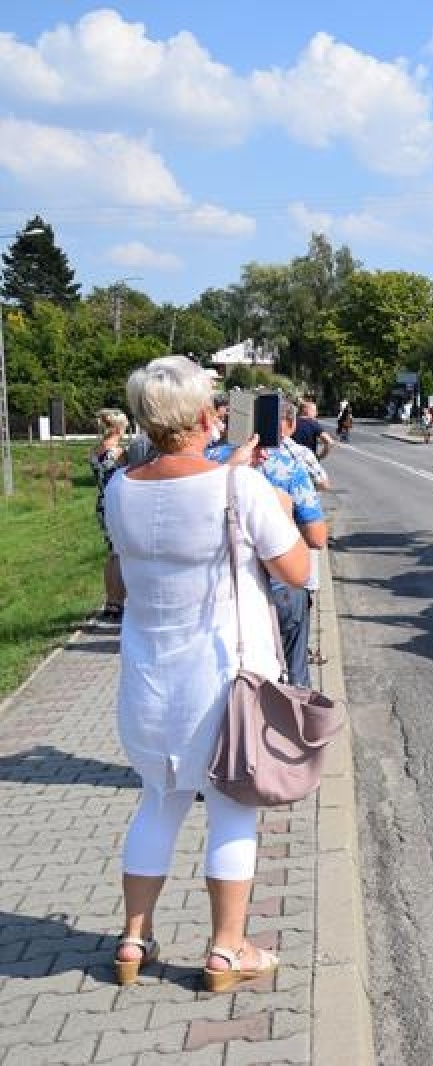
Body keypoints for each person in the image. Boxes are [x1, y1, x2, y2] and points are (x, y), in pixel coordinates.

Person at [103, 354, 310, 992]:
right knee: (230, 810)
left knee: (157, 803)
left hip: (147, 678)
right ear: (202, 415)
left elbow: (117, 582)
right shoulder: (238, 486)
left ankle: (133, 941)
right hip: (224, 681)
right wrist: (272, 499)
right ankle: (227, 951)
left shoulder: (120, 486)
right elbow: (297, 571)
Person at [209, 396, 328, 687]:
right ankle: (297, 722)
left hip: (218, 587)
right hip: (280, 583)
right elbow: (317, 537)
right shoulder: (288, 466)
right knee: (294, 669)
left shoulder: (206, 461)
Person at [89, 408, 130, 623]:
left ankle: (110, 600)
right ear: (116, 428)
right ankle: (117, 602)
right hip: (117, 502)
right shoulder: (118, 453)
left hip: (102, 501)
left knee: (112, 552)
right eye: (124, 428)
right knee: (119, 554)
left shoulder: (95, 451)